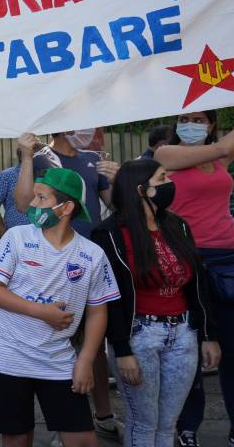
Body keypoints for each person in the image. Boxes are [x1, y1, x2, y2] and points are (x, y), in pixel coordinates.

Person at [0, 167, 120, 447]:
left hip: (58, 359)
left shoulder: (92, 254)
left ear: (66, 207)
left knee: (82, 438)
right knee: (17, 436)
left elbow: (98, 311)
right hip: (8, 354)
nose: (32, 205)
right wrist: (41, 311)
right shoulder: (16, 237)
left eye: (41, 198)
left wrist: (85, 361)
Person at [152, 105, 234, 447]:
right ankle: (186, 428)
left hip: (231, 259)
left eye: (198, 120)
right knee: (187, 352)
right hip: (186, 259)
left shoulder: (216, 160)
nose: (190, 125)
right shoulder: (166, 154)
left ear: (211, 124)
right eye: (184, 119)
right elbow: (227, 146)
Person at [91, 159, 220, 446]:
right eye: (162, 179)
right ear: (142, 190)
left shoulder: (177, 225)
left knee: (167, 424)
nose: (169, 184)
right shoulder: (109, 233)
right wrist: (122, 349)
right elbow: (110, 298)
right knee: (143, 423)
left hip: (183, 334)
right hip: (139, 337)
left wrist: (208, 335)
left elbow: (198, 282)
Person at [14, 129, 122, 438]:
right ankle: (61, 426)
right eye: (85, 124)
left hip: (88, 261)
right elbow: (23, 204)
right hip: (48, 265)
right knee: (53, 342)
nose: (92, 131)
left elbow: (116, 205)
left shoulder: (92, 161)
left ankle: (103, 414)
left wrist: (119, 179)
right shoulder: (38, 158)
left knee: (94, 345)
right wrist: (25, 157)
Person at [0, 150, 30, 237]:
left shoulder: (45, 174)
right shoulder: (7, 175)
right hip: (15, 236)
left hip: (43, 237)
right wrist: (4, 233)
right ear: (20, 154)